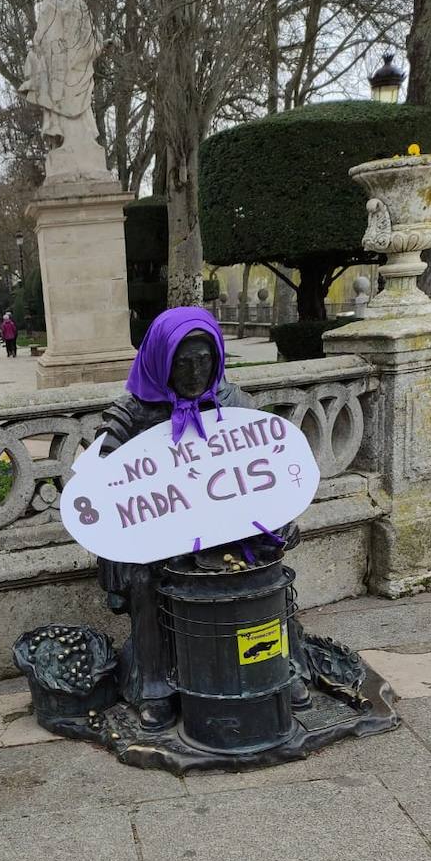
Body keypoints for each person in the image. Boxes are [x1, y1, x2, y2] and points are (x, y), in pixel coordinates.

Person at [97, 306, 258, 730]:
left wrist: (278, 516)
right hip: (158, 539)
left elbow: (268, 469)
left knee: (263, 564)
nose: (194, 371)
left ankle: (276, 665)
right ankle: (154, 684)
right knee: (145, 579)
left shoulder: (235, 404)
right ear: (161, 360)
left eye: (204, 359)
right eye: (182, 361)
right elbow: (104, 486)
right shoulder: (129, 414)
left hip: (225, 530)